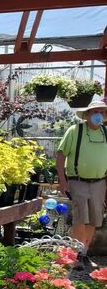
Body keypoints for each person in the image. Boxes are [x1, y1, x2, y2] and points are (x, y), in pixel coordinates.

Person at [55, 99, 107, 263]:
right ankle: (75, 253)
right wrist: (62, 181)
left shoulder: (106, 133)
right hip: (78, 181)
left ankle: (84, 252)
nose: (99, 115)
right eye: (95, 112)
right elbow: (61, 156)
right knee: (80, 218)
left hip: (100, 182)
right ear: (86, 115)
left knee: (94, 218)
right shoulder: (74, 131)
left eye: (102, 112)